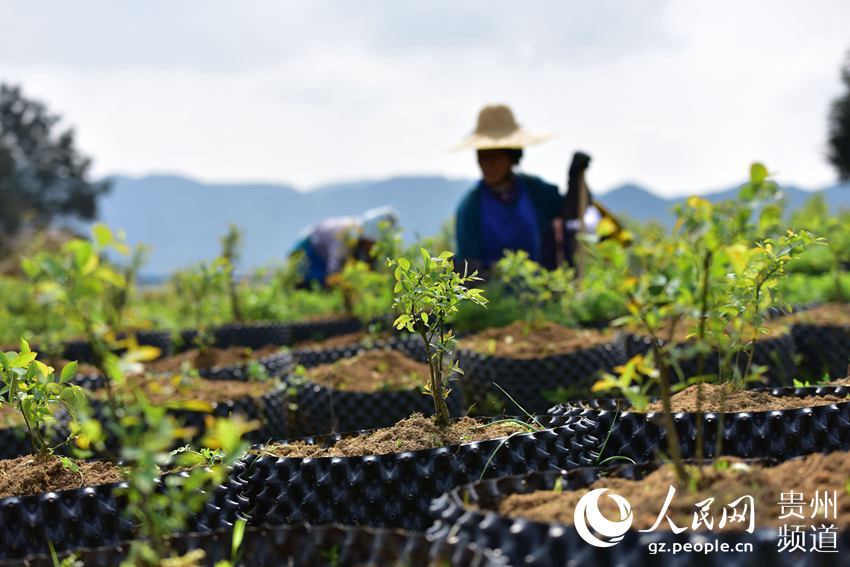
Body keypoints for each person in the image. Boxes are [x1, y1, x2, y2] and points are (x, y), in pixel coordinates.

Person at [454, 104, 561, 274]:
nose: (487, 164)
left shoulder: (535, 191)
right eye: (482, 156)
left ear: (511, 156)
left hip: (540, 294)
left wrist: (577, 179)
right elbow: (466, 268)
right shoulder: (471, 206)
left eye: (494, 156)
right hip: (491, 297)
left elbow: (571, 211)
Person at [290, 206, 399, 287]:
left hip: (323, 251)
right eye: (372, 244)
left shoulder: (362, 242)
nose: (373, 249)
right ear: (366, 239)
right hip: (309, 247)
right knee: (308, 282)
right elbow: (333, 274)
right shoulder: (344, 238)